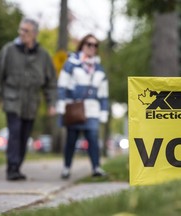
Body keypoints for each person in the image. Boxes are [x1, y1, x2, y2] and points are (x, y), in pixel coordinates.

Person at [0, 18, 57, 181]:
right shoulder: (8, 50)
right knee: (14, 133)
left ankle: (17, 166)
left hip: (32, 103)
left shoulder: (43, 56)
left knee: (24, 136)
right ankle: (12, 168)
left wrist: (52, 103)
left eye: (26, 31)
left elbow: (51, 82)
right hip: (12, 100)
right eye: (20, 30)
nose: (21, 33)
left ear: (34, 34)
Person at [56, 34, 109, 179]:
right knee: (71, 140)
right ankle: (66, 168)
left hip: (92, 110)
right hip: (75, 109)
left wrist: (104, 111)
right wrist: (62, 105)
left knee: (93, 138)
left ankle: (96, 167)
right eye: (89, 44)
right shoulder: (71, 64)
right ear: (82, 45)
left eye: (95, 45)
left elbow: (104, 93)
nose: (92, 47)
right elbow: (62, 86)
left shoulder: (99, 69)